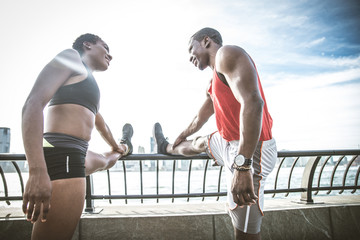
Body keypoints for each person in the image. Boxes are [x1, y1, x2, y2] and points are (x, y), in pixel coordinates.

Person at [153, 27, 277, 240]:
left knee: (244, 232)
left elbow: (253, 103)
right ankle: (166, 147)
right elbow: (199, 118)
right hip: (227, 142)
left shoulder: (226, 54)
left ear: (206, 41)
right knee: (199, 143)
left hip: (252, 149)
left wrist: (243, 165)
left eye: (191, 48)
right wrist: (181, 135)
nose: (190, 56)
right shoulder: (215, 81)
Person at [21, 33, 133, 240]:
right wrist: (36, 171)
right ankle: (123, 148)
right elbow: (33, 103)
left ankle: (125, 147)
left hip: (77, 151)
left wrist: (116, 145)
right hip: (62, 152)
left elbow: (102, 125)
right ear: (87, 45)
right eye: (105, 47)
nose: (111, 55)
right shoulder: (71, 57)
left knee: (107, 160)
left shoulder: (88, 83)